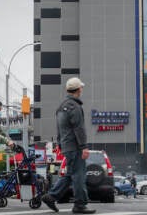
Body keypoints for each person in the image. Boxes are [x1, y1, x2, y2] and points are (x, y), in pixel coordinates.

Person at [42, 77, 96, 214]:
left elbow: (59, 129)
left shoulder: (61, 107)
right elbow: (79, 128)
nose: (82, 89)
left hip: (66, 146)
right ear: (78, 90)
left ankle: (51, 196)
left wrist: (60, 144)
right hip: (75, 146)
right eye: (81, 88)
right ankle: (80, 205)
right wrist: (84, 146)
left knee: (70, 174)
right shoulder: (75, 107)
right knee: (79, 175)